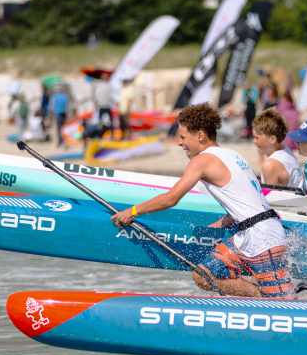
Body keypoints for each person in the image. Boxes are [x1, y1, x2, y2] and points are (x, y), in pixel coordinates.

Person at [110, 104, 293, 298]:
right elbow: (246, 200)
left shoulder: (202, 160)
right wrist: (221, 223)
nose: (180, 143)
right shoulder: (233, 155)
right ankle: (259, 295)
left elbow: (171, 198)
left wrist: (132, 211)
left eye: (183, 137)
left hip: (263, 238)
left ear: (200, 136)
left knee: (283, 304)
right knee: (203, 276)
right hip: (251, 233)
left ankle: (267, 297)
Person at [252, 109, 298, 187]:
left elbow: (271, 197)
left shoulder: (270, 165)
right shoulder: (286, 151)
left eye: (257, 138)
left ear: (272, 139)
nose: (254, 141)